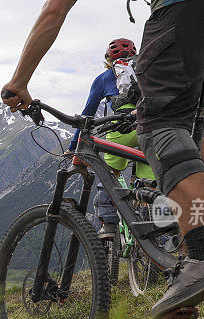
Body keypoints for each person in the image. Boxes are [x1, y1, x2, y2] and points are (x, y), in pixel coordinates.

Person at [1, 0, 204, 319]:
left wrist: (18, 81)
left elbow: (54, 10)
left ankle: (200, 253)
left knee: (157, 123)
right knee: (188, 118)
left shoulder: (104, 78)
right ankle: (191, 266)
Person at [67, 38, 156, 240]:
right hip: (146, 126)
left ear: (108, 59)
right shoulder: (146, 73)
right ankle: (153, 230)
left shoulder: (104, 78)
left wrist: (73, 146)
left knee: (110, 175)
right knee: (147, 184)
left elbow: (86, 116)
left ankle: (108, 224)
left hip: (120, 128)